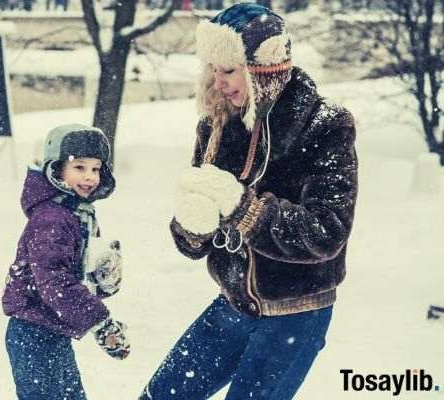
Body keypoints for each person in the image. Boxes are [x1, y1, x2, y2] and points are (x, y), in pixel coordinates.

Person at [139, 3, 358, 400]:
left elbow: (327, 233)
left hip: (296, 313)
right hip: (233, 302)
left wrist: (246, 210)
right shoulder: (218, 122)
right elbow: (198, 238)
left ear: (263, 68)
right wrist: (191, 226)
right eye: (212, 71)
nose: (218, 84)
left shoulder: (326, 126)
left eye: (228, 71)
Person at [2, 124, 130, 400]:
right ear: (56, 169)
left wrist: (101, 280)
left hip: (53, 330)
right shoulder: (52, 219)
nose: (90, 177)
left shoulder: (75, 213)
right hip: (32, 333)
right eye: (79, 167)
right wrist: (100, 321)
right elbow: (53, 282)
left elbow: (71, 275)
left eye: (96, 169)